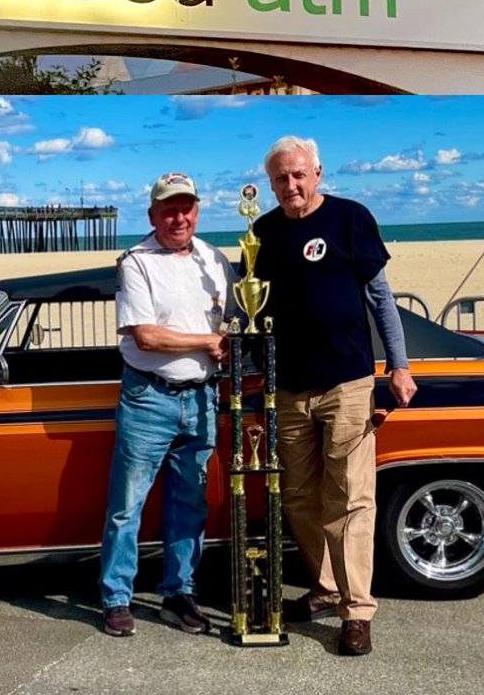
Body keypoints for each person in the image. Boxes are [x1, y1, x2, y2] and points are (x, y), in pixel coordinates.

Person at [253, 136, 416, 657]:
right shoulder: (263, 233)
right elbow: (252, 310)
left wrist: (399, 364)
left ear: (317, 173)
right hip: (288, 390)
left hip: (347, 385)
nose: (291, 185)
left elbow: (380, 298)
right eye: (281, 178)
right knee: (300, 498)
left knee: (350, 501)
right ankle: (325, 589)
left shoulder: (351, 218)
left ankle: (357, 611)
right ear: (271, 183)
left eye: (299, 174)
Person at [99, 171, 236, 638]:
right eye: (169, 209)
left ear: (197, 211)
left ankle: (180, 593)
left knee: (190, 503)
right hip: (148, 397)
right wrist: (208, 341)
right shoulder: (137, 262)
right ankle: (117, 597)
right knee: (127, 504)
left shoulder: (215, 260)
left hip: (202, 396)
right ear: (153, 214)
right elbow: (146, 335)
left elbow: (236, 322)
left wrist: (229, 343)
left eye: (186, 208)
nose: (179, 217)